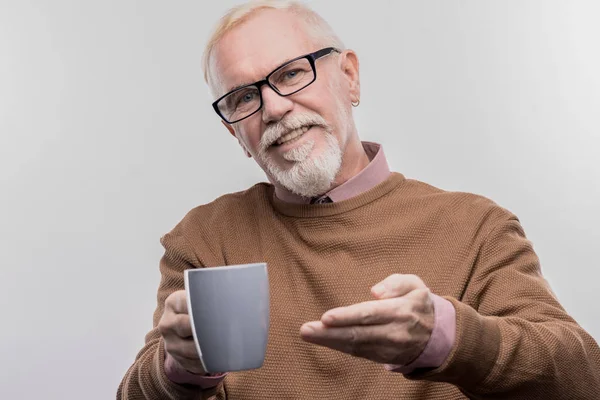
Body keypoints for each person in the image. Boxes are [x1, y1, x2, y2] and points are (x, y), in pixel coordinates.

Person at [117, 1, 600, 399]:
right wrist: (177, 371)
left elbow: (582, 376)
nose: (275, 107)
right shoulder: (204, 239)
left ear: (349, 76)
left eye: (289, 74)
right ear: (236, 133)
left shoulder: (475, 227)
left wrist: (448, 337)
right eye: (244, 97)